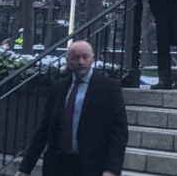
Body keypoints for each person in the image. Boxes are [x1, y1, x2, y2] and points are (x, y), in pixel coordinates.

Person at [16, 41, 128, 176]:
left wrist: (112, 169)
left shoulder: (108, 88)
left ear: (92, 58)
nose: (81, 62)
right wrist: (25, 168)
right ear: (68, 60)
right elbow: (44, 129)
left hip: (91, 166)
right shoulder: (58, 88)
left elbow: (119, 132)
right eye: (75, 58)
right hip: (58, 166)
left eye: (85, 57)